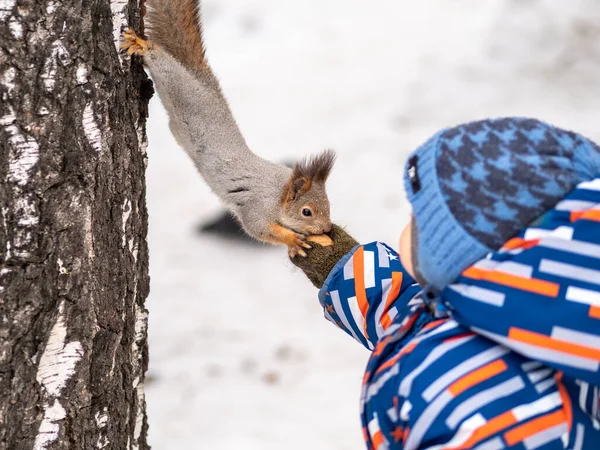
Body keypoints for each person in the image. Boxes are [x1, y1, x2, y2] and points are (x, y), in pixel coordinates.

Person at [291, 117, 600, 449]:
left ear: (462, 254)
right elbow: (413, 315)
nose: (409, 225)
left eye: (420, 219)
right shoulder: (523, 307)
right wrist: (339, 263)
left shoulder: (483, 407)